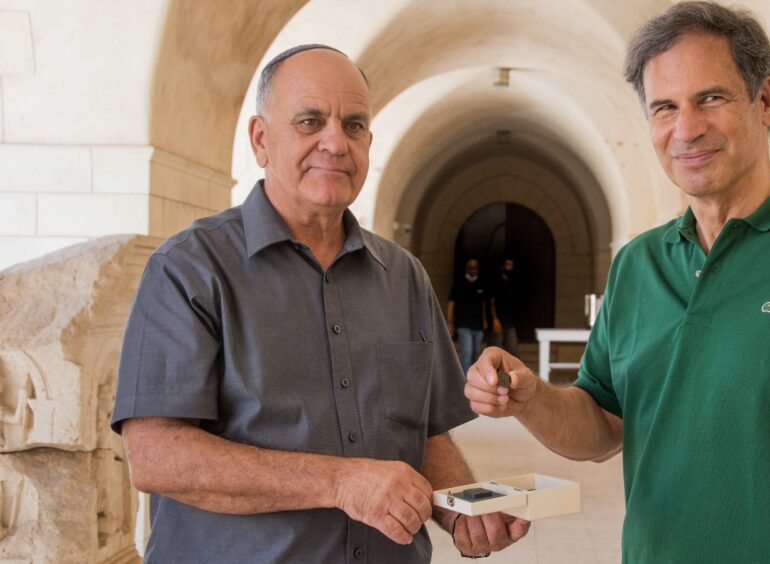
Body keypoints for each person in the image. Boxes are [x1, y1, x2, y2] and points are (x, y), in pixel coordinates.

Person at [465, 3, 770, 563]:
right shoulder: (637, 266)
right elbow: (604, 425)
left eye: (711, 98)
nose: (686, 129)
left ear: (765, 100)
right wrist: (532, 399)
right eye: (664, 107)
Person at [111, 44, 528, 563]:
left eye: (353, 126)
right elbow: (156, 457)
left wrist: (462, 506)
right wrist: (341, 482)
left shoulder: (403, 277)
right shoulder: (188, 268)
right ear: (261, 140)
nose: (335, 142)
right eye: (310, 121)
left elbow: (423, 434)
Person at [447, 259, 489, 373]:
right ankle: (464, 383)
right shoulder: (459, 283)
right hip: (463, 325)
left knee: (476, 355)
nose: (472, 270)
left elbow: (484, 304)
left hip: (478, 325)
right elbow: (451, 303)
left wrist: (485, 321)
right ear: (466, 269)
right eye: (470, 267)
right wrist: (450, 322)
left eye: (475, 267)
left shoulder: (481, 283)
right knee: (467, 354)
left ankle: (474, 381)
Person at [487, 258, 519, 355]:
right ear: (502, 266)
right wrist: (494, 318)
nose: (510, 268)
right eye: (508, 265)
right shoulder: (495, 281)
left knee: (512, 347)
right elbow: (491, 302)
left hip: (510, 321)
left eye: (511, 265)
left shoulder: (513, 282)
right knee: (497, 348)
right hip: (498, 320)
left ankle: (509, 369)